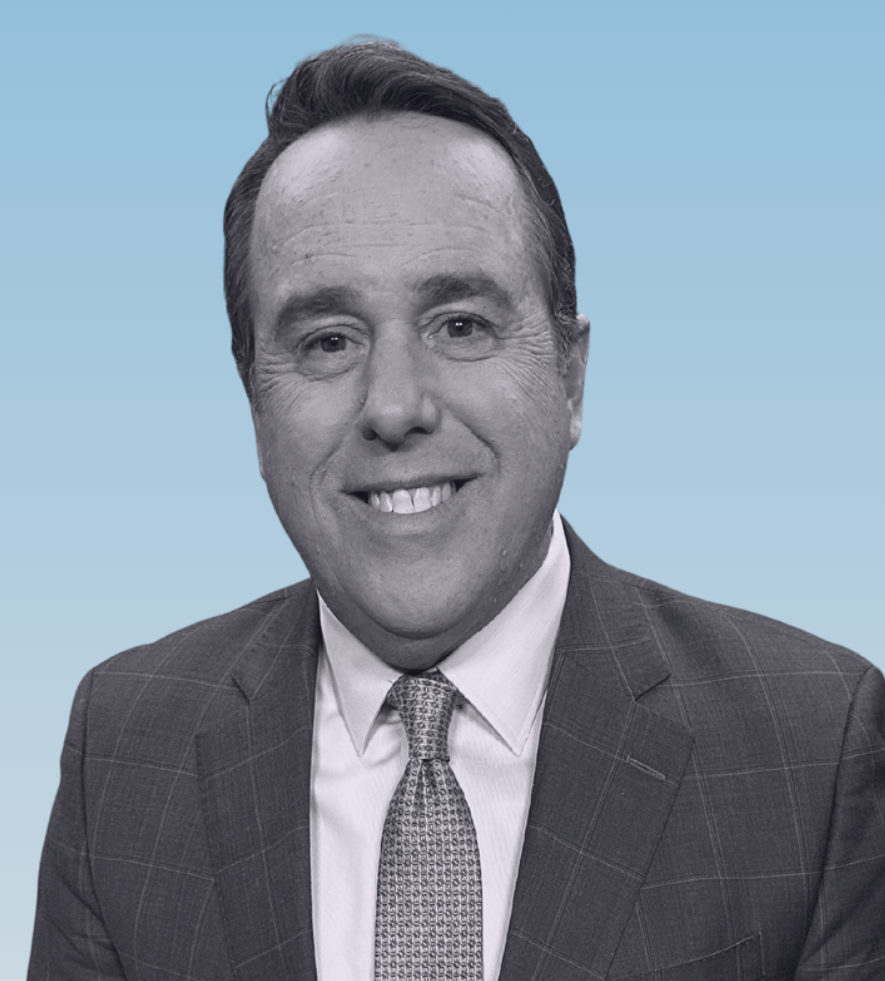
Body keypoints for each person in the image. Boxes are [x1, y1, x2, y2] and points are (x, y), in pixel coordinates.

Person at [29, 40, 884, 981]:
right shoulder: (124, 747)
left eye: (460, 325)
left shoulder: (814, 747)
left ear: (569, 376)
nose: (395, 405)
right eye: (326, 340)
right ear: (253, 401)